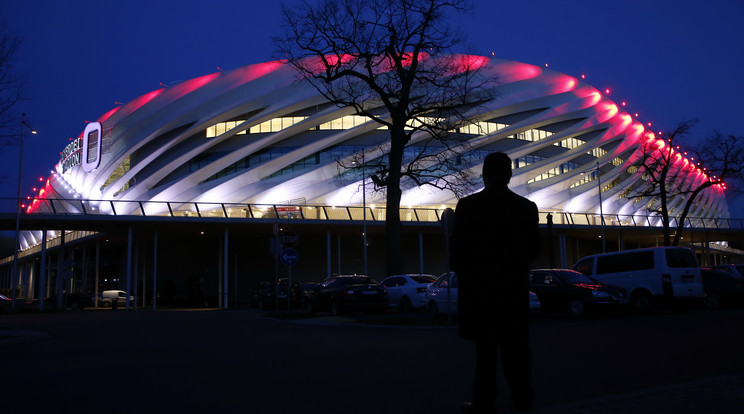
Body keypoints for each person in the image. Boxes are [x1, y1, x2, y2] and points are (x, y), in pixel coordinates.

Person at [449, 152, 540, 413]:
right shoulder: (526, 207)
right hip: (513, 291)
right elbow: (533, 249)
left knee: (485, 351)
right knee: (517, 350)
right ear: (509, 174)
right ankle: (523, 398)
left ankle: (484, 400)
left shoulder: (468, 206)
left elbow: (456, 249)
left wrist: (468, 273)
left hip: (481, 292)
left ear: (484, 174)